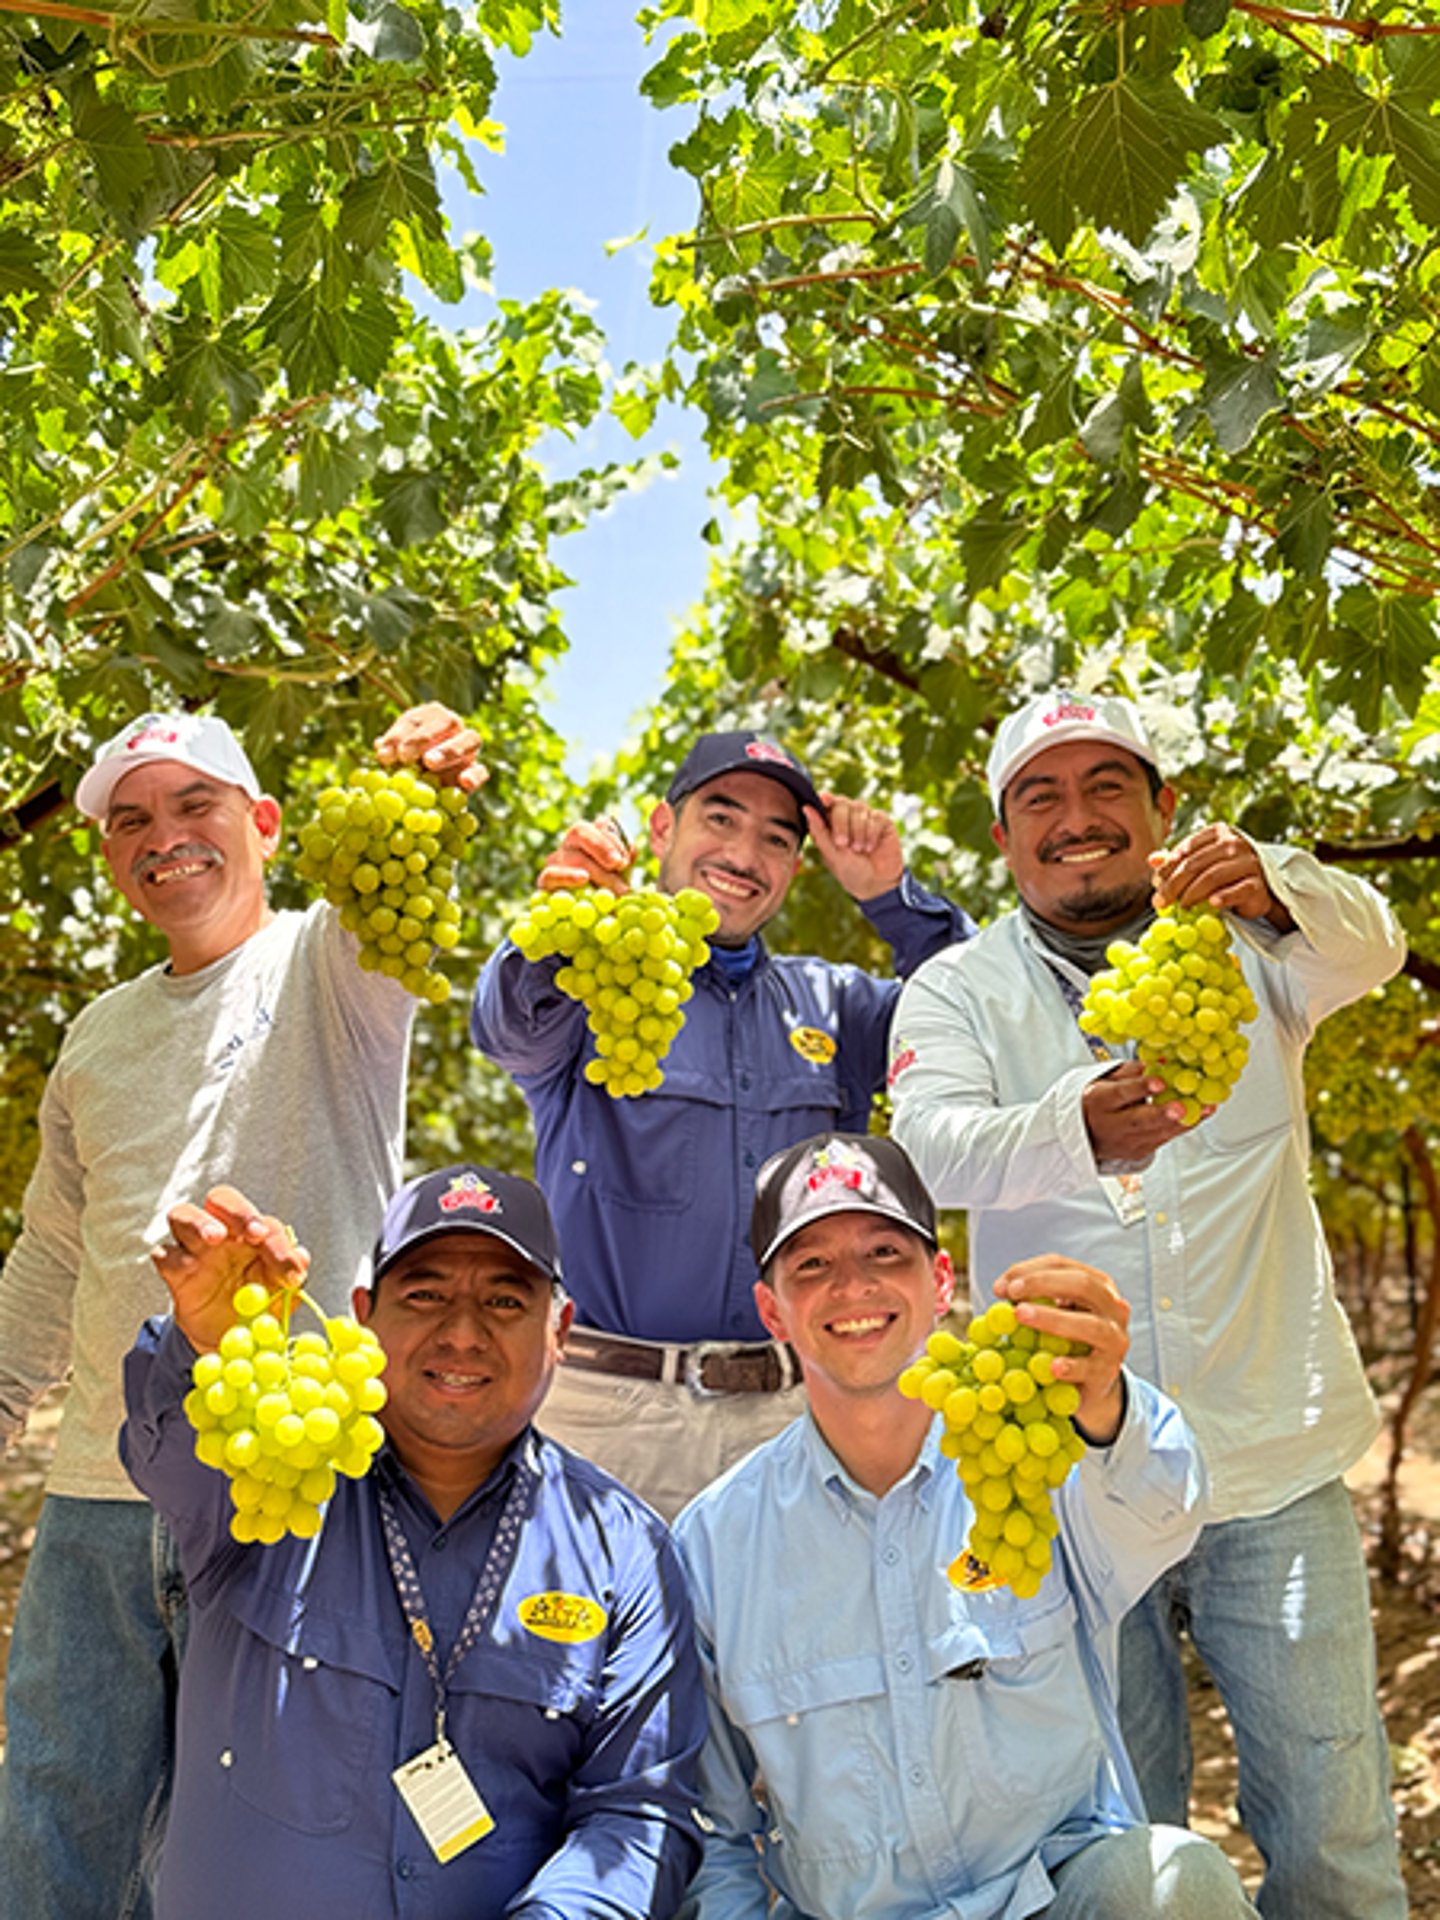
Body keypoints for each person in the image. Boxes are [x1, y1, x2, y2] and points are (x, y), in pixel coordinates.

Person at [889, 689, 1408, 1920]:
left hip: (1267, 1457)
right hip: (1069, 1487)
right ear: (1005, 840)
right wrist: (1074, 1125)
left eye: (1107, 788)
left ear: (1162, 810)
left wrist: (1278, 880)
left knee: (1335, 1828)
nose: (1077, 821)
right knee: (1123, 1836)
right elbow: (931, 1151)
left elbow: (1374, 945)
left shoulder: (1259, 955)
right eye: (1041, 800)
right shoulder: (956, 991)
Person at [0, 701, 485, 1920]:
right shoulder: (95, 1036)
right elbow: (51, 1256)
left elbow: (400, 888)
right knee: (59, 1813)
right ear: (112, 859)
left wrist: (422, 783)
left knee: (270, 1829)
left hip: (287, 1478)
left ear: (265, 825)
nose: (162, 837)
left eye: (195, 803)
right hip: (100, 1494)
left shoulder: (335, 966)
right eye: (131, 822)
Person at [673, 1130, 1257, 1920]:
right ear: (772, 1310)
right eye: (812, 1264)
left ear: (941, 1280)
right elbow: (714, 1831)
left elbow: (1164, 1504)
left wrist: (1108, 1400)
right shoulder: (714, 1544)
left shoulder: (1045, 1466)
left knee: (1172, 1881)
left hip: (1049, 1900)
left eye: (886, 1252)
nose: (853, 1285)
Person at [120, 1163, 706, 1920]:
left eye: (504, 1300)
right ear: (365, 1315)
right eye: (425, 1294)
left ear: (559, 1332)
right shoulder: (273, 1469)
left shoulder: (626, 1554)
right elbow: (164, 1451)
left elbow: (640, 1811)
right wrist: (205, 1339)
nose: (463, 1334)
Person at [472, 729, 975, 1514]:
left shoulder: (835, 1004)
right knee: (588, 1640)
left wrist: (890, 896)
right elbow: (504, 1025)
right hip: (607, 1418)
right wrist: (564, 916)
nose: (745, 854)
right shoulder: (596, 975)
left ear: (795, 869)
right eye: (721, 819)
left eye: (777, 839)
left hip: (794, 1418)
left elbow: (972, 1012)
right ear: (661, 829)